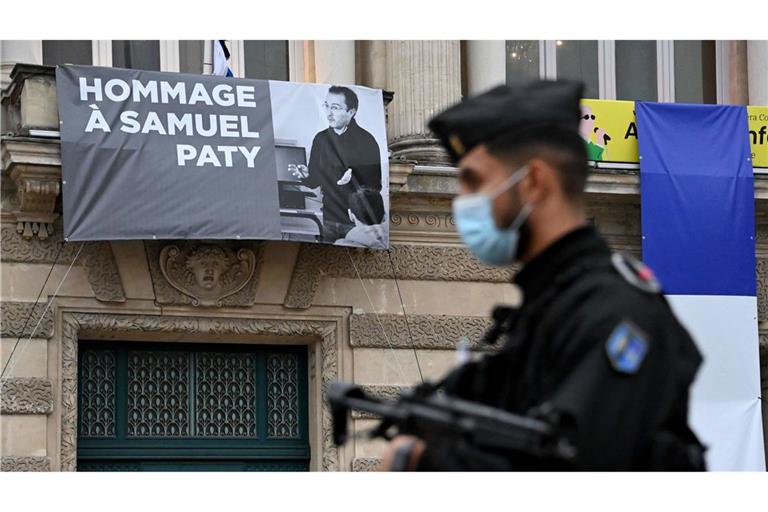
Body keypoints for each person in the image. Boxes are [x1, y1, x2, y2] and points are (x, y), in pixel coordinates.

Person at [379, 80, 706, 471]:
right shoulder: (547, 310)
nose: (462, 201)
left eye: (475, 181)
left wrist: (422, 462)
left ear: (533, 183)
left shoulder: (614, 314)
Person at [290, 85, 383, 243]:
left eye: (335, 107)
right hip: (328, 218)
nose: (329, 113)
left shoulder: (367, 141)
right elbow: (315, 181)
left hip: (357, 221)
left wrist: (355, 178)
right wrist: (305, 176)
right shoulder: (321, 139)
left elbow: (376, 186)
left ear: (351, 112)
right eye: (326, 106)